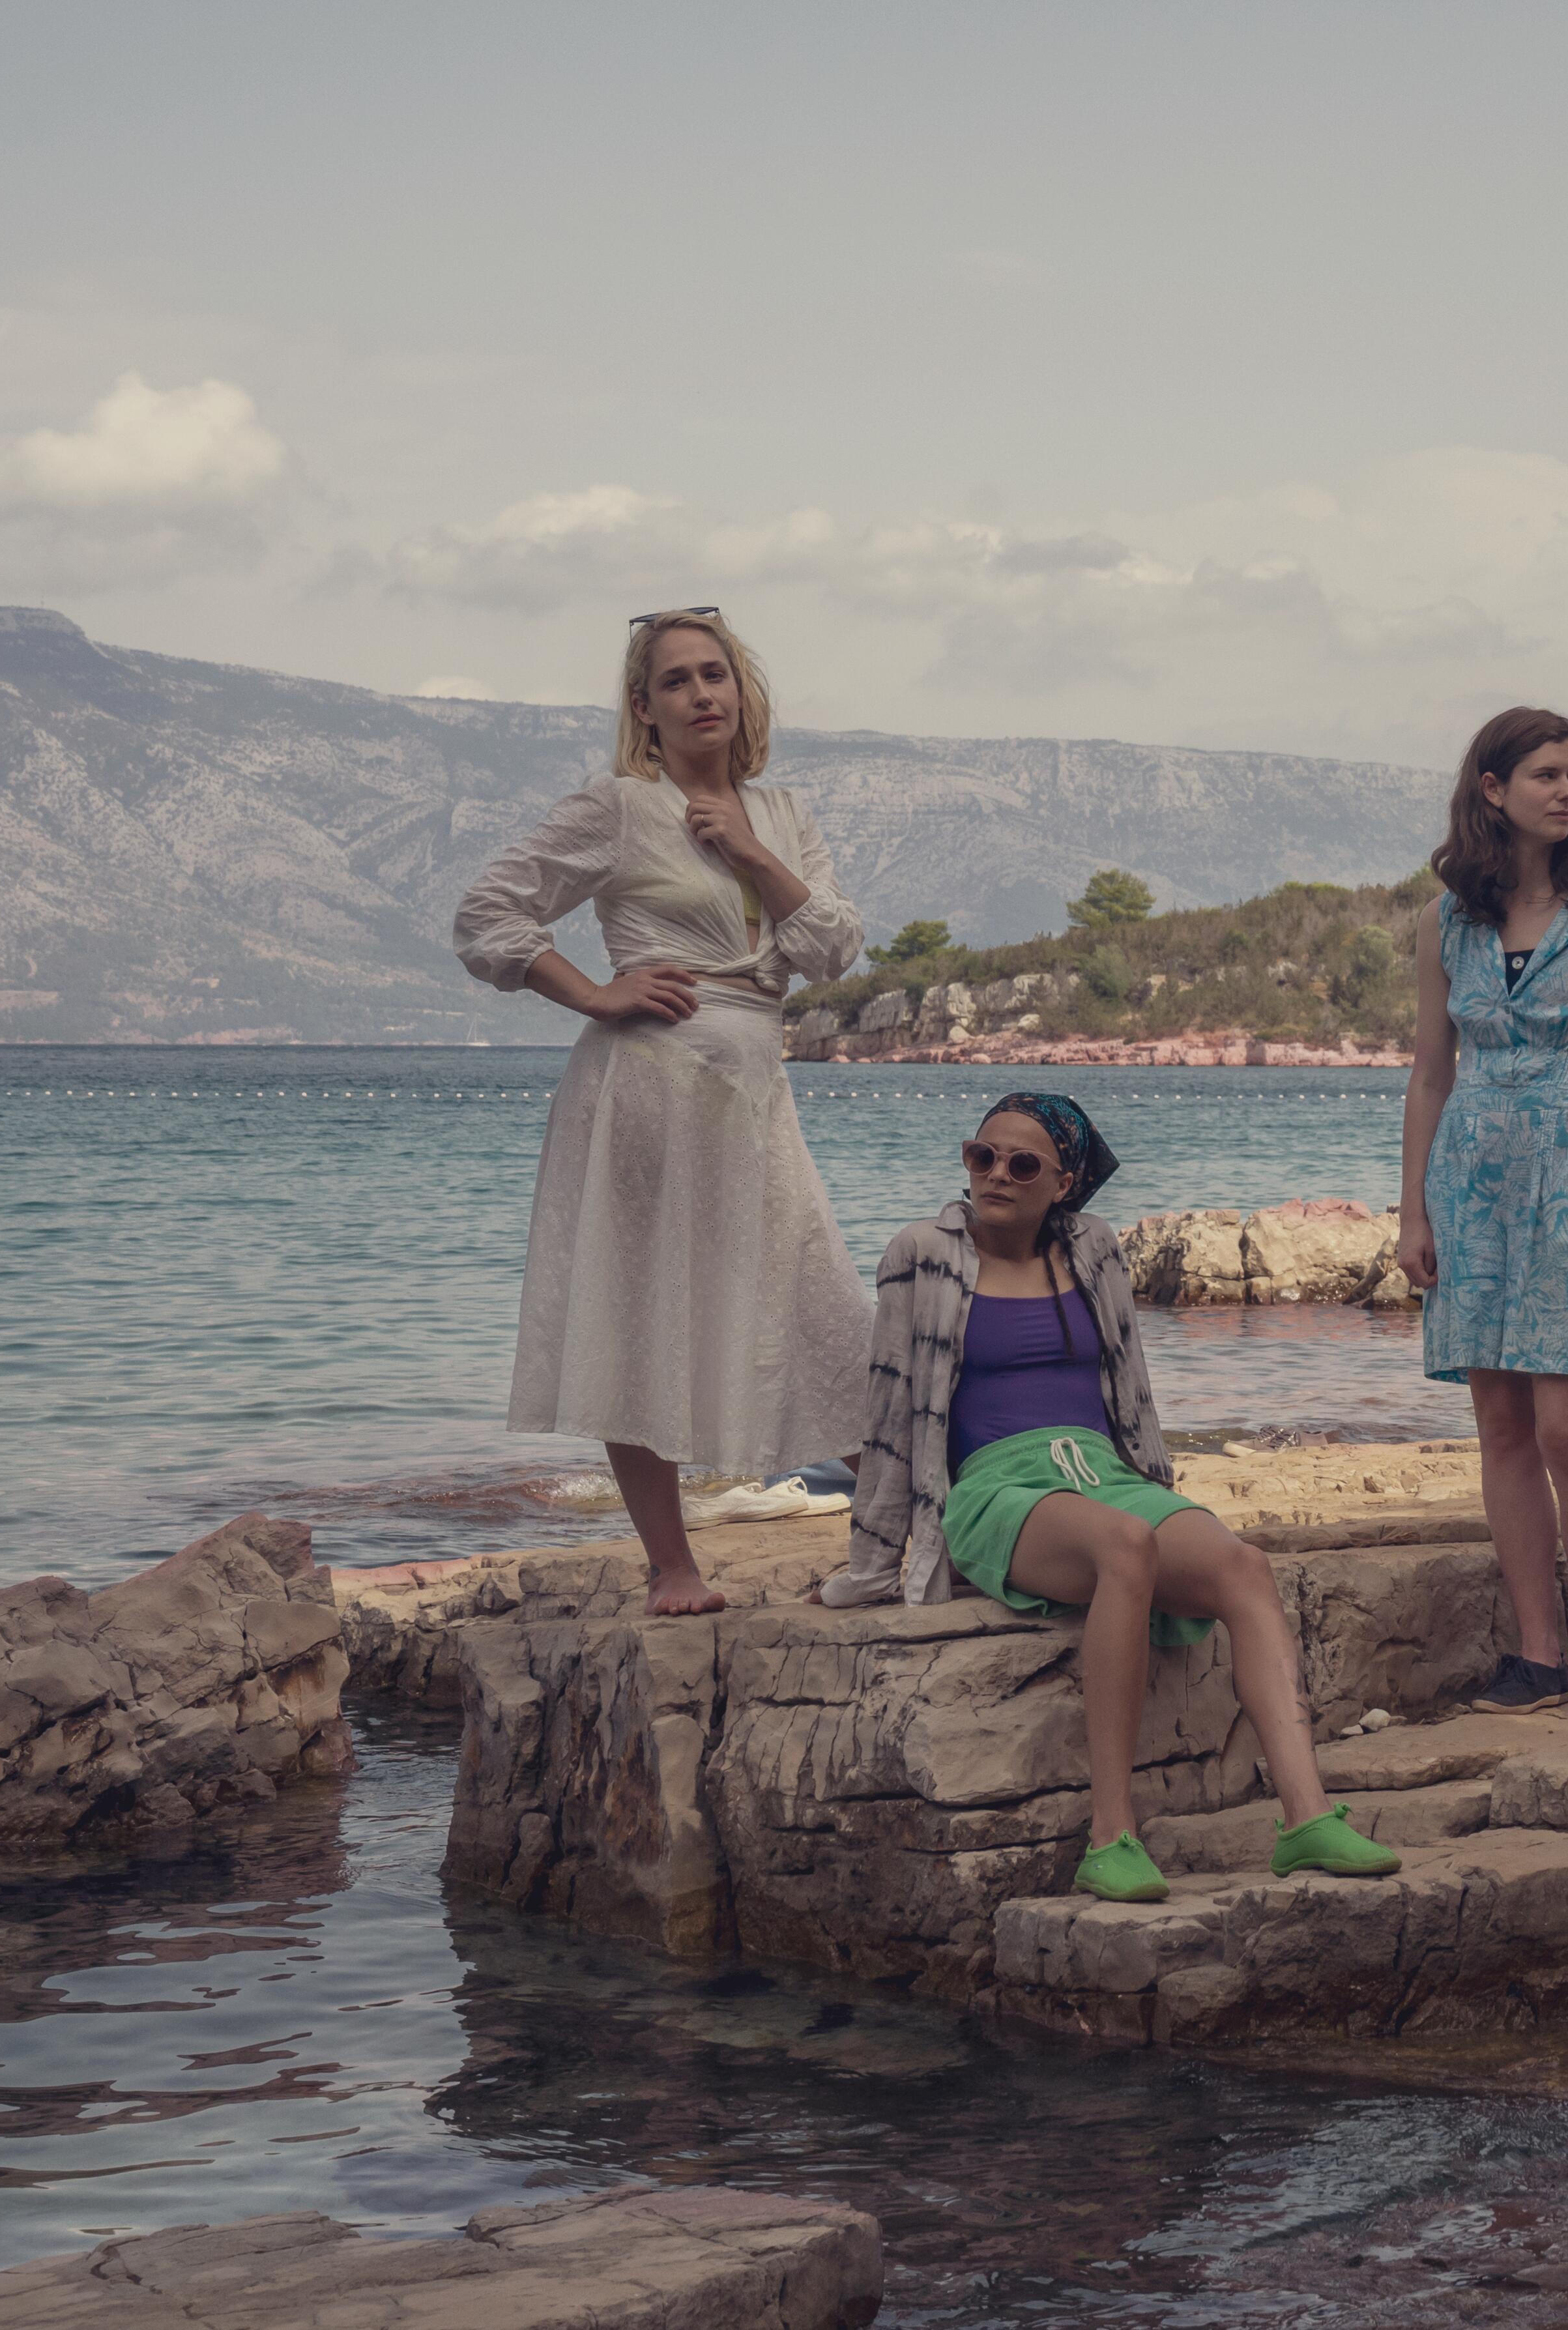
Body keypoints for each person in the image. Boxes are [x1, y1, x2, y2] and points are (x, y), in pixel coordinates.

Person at [817, 1092, 1402, 1903]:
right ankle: (1110, 1836)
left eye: (1022, 1164)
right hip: (997, 1484)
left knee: (1242, 1566)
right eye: (980, 1155)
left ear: (1063, 1182)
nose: (996, 1175)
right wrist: (883, 1555)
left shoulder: (1091, 1248)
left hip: (1102, 1472)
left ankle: (1305, 1818)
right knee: (1125, 1546)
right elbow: (888, 1407)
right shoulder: (921, 1252)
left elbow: (1131, 1388)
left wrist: (1152, 1486)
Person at [452, 607, 874, 1618]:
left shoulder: (783, 814)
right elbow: (485, 915)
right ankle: (672, 1565)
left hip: (750, 1093)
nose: (702, 694)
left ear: (742, 690)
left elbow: (831, 949)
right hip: (644, 1090)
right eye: (677, 680)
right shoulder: (618, 805)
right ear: (643, 707)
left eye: (715, 673)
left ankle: (905, 1525)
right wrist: (595, 993)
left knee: (820, 1305)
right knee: (637, 1313)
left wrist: (749, 853)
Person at [1397, 707, 1568, 1723]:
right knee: (1501, 1426)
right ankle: (1533, 1653)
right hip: (1471, 1183)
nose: (1566, 791)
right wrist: (1411, 1210)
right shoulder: (1444, 921)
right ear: (1492, 787)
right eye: (1547, 774)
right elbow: (1430, 1071)